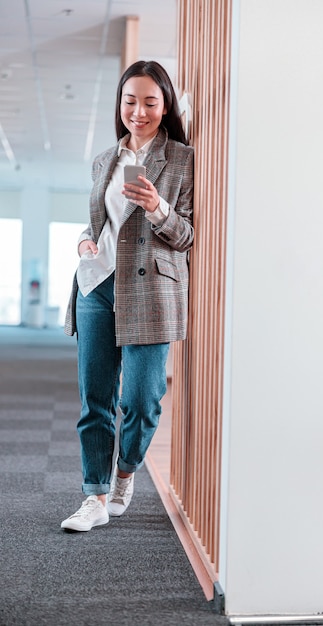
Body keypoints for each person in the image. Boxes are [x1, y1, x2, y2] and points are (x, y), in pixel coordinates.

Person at [61, 60, 194, 532]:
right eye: (130, 101)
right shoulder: (105, 160)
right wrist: (82, 242)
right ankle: (93, 495)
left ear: (165, 106)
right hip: (96, 286)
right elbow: (97, 224)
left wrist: (158, 207)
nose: (138, 111)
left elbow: (188, 235)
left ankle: (124, 473)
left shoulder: (182, 159)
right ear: (120, 105)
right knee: (94, 398)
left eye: (150, 102)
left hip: (151, 291)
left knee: (142, 399)